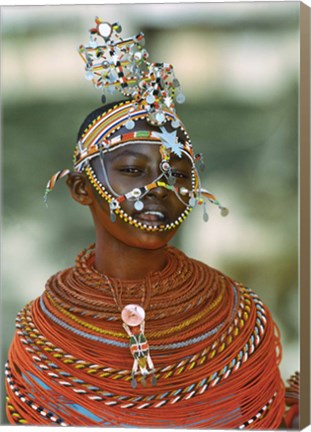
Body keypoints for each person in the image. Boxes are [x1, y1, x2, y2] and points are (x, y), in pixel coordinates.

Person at [5, 18, 298, 428]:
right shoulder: (43, 333)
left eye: (177, 174)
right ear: (79, 188)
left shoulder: (240, 318)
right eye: (131, 168)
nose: (160, 187)